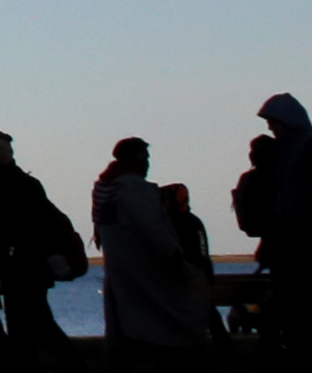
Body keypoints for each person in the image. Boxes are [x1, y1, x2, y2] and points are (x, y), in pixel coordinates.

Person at [239, 94, 312, 341]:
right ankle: (306, 349)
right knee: (302, 301)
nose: (270, 128)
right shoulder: (291, 149)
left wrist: (298, 212)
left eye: (273, 122)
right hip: (302, 234)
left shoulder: (309, 146)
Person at [91, 136, 219, 358]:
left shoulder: (106, 188)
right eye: (146, 158)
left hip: (122, 267)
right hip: (147, 263)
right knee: (177, 310)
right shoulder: (133, 188)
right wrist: (171, 254)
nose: (148, 164)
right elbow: (152, 225)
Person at [0, 130, 87, 368]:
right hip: (17, 265)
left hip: (25, 264)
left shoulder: (13, 185)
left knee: (36, 321)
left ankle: (75, 369)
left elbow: (25, 226)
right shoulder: (1, 184)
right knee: (24, 323)